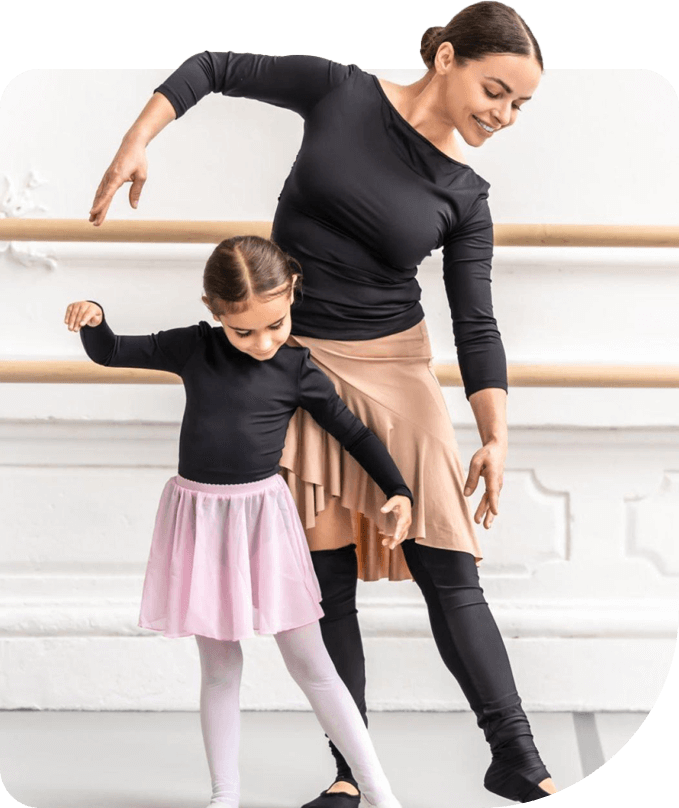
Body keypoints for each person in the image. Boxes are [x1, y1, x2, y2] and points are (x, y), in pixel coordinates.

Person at [88, 3, 558, 803]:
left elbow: (475, 322)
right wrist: (137, 140)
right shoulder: (340, 92)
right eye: (495, 90)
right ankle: (348, 776)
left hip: (395, 369)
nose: (504, 115)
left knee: (447, 566)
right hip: (291, 363)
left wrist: (494, 434)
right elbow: (213, 64)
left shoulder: (465, 193)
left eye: (519, 104)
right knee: (323, 580)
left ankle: (516, 757)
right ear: (444, 57)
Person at [63, 235, 413, 808]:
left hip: (263, 521)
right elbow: (110, 351)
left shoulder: (297, 366)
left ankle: (380, 793)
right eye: (242, 331)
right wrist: (95, 319)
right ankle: (225, 795)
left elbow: (352, 431)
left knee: (312, 663)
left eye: (275, 325)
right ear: (214, 311)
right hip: (198, 518)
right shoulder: (192, 348)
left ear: (292, 295)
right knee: (220, 666)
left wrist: (397, 488)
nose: (262, 342)